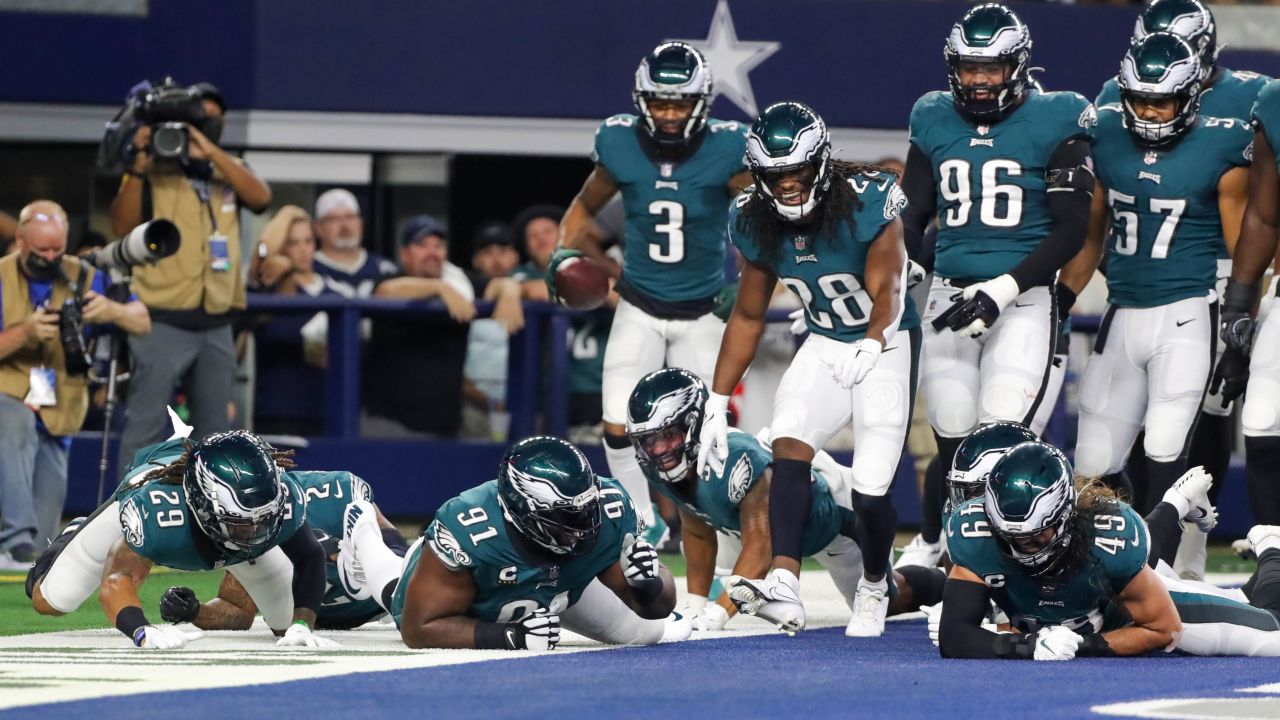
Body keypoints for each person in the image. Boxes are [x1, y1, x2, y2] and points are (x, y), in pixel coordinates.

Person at [700, 101, 920, 637]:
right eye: (775, 175)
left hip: (883, 344)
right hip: (824, 340)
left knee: (870, 489)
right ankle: (785, 579)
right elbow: (749, 314)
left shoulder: (869, 199)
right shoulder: (753, 215)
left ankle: (873, 583)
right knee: (789, 444)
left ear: (820, 162)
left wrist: (874, 341)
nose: (788, 185)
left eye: (797, 171)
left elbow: (888, 286)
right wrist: (715, 395)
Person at [896, 3, 1096, 569]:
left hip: (1024, 298)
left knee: (1001, 441)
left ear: (1018, 65)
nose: (979, 79)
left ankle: (1013, 566)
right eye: (968, 67)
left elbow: (1074, 228)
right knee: (955, 443)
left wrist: (1004, 289)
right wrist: (907, 262)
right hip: (949, 296)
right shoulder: (932, 115)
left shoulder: (1060, 114)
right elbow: (913, 212)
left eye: (992, 67)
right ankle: (962, 561)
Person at [1095, 0, 1270, 583]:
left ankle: (1190, 539)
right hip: (1147, 277)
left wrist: (1249, 292)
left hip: (1223, 270)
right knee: (1136, 422)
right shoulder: (1112, 101)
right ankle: (1140, 544)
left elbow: (1257, 213)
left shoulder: (1253, 95)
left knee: (1214, 411)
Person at [554, 42, 752, 528]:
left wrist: (749, 281)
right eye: (659, 102)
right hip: (640, 305)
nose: (667, 113)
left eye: (679, 103)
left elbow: (758, 219)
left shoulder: (729, 148)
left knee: (710, 431)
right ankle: (639, 520)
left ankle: (719, 521)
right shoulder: (620, 143)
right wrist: (565, 250)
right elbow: (585, 205)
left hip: (703, 310)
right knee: (618, 426)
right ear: (641, 100)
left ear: (701, 103)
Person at [1060, 34, 1250, 515]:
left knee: (1164, 448)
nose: (1147, 111)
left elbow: (1245, 248)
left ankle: (1167, 566)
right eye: (1139, 99)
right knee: (1092, 462)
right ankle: (1104, 564)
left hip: (1185, 312)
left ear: (1189, 96)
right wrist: (1059, 299)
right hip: (1121, 310)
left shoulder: (1220, 146)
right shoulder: (1104, 134)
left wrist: (1245, 318)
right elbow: (1090, 238)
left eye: (1160, 100)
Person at [627, 368, 944, 634]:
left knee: (891, 599)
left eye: (668, 435)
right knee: (725, 561)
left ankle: (948, 584)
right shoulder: (664, 468)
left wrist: (718, 615)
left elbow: (763, 542)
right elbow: (697, 529)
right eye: (649, 441)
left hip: (835, 517)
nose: (659, 451)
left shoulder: (731, 457)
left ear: (694, 422)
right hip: (767, 529)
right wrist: (695, 606)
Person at [338, 436, 691, 650]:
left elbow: (653, 607)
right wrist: (510, 636)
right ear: (524, 510)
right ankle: (365, 532)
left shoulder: (609, 509)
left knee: (649, 633)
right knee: (391, 593)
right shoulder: (470, 530)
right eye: (568, 517)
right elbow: (419, 629)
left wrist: (647, 584)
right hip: (483, 601)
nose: (585, 527)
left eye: (587, 510)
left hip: (560, 586)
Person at [938, 440, 1280, 659]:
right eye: (1009, 536)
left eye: (1035, 535)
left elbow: (1164, 629)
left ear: (1064, 515)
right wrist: (1028, 645)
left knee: (1271, 635)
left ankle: (1271, 548)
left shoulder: (1109, 537)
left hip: (1122, 610)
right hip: (1075, 610)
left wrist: (1080, 645)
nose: (1022, 547)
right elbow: (954, 636)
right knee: (1241, 599)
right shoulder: (976, 532)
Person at [27, 426, 336, 649]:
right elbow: (116, 579)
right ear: (203, 506)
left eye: (263, 519)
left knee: (286, 626)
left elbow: (310, 557)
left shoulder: (278, 502)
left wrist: (301, 624)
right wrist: (140, 630)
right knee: (52, 600)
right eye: (241, 524)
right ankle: (72, 534)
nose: (256, 532)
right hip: (143, 490)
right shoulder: (161, 513)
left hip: (218, 532)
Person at [110, 80, 272, 480]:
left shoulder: (226, 168)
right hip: (161, 317)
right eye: (203, 117)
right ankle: (126, 520)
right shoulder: (154, 169)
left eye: (217, 119)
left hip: (217, 320)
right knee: (146, 429)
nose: (210, 122)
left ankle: (213, 518)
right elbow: (122, 225)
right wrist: (137, 169)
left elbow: (260, 198)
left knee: (217, 434)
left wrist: (211, 151)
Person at [0, 201, 149, 569]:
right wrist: (26, 332)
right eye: (41, 250)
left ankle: (24, 551)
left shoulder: (81, 275)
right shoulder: (1, 277)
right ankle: (14, 538)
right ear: (19, 239)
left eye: (57, 249)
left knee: (42, 546)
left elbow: (142, 320)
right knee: (14, 425)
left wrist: (111, 311)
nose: (50, 257)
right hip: (9, 393)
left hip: (60, 404)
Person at [156, 471, 409, 631]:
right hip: (311, 620)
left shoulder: (335, 491)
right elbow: (238, 609)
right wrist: (195, 611)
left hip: (378, 600)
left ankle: (362, 568)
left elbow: (396, 546)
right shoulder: (240, 531)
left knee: (408, 587)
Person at [1216, 79, 1280, 531]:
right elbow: (1263, 214)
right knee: (1261, 424)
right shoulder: (1275, 104)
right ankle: (1275, 561)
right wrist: (1239, 307)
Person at [361, 215, 477, 438]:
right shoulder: (392, 280)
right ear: (404, 253)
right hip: (389, 427)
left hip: (445, 429)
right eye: (422, 245)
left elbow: (499, 285)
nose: (432, 252)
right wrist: (439, 288)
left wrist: (509, 291)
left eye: (438, 246)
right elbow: (384, 292)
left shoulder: (462, 285)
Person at [248, 205, 341, 435]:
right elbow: (261, 255)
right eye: (292, 242)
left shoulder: (334, 292)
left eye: (308, 241)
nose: (302, 250)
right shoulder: (269, 291)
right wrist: (288, 212)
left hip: (327, 412)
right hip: (276, 413)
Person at [461, 221, 525, 440]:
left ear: (515, 256)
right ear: (476, 260)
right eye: (488, 253)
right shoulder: (464, 295)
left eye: (504, 251)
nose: (497, 259)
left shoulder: (527, 293)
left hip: (523, 407)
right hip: (473, 407)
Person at [310, 189, 398, 298]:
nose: (345, 226)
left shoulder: (384, 268)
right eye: (334, 219)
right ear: (318, 228)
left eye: (350, 217)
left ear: (361, 223)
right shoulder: (309, 268)